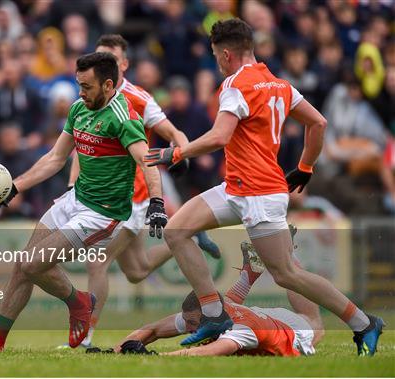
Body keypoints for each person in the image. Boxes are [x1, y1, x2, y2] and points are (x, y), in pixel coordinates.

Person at [144, 19, 384, 356]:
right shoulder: (278, 83)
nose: (216, 62)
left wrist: (176, 152)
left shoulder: (235, 84)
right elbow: (318, 122)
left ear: (226, 54)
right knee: (178, 229)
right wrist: (305, 167)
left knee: (286, 273)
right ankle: (214, 313)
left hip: (257, 193)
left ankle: (363, 322)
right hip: (239, 188)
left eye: (216, 56)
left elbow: (219, 137)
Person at [0, 52, 168, 351]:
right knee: (23, 266)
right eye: (79, 85)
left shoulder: (124, 118)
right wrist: (16, 186)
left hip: (103, 214)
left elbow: (147, 162)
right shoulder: (78, 109)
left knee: (31, 263)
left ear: (108, 85)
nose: (80, 92)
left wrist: (156, 202)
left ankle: (79, 304)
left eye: (87, 86)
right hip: (75, 199)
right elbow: (56, 158)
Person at [66, 35, 221, 348]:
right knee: (137, 271)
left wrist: (182, 153)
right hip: (101, 195)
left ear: (123, 64)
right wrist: (72, 185)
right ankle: (191, 234)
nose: (102, 62)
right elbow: (81, 148)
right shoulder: (89, 97)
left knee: (97, 261)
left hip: (132, 197)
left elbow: (171, 131)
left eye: (110, 57)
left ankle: (85, 338)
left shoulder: (138, 98)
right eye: (98, 56)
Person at [110, 230, 325, 357]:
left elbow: (205, 352)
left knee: (315, 323)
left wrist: (156, 356)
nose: (189, 328)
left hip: (293, 329)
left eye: (193, 323)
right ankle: (251, 273)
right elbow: (153, 330)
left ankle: (286, 254)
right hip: (255, 314)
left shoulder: (241, 331)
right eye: (188, 322)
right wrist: (117, 350)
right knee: (228, 303)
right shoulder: (202, 314)